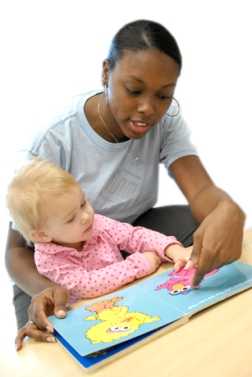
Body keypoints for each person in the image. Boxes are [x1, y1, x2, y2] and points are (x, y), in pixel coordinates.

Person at [5, 19, 245, 346]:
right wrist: (43, 289)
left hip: (118, 234)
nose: (148, 109)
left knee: (202, 224)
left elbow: (201, 189)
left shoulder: (166, 121)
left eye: (164, 96)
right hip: (56, 265)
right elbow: (17, 249)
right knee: (53, 336)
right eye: (134, 90)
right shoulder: (55, 140)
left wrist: (226, 209)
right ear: (106, 73)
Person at [7, 159, 191, 349]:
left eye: (83, 203)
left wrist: (171, 248)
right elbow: (87, 286)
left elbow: (134, 235)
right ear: (42, 234)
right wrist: (140, 264)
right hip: (89, 320)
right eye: (71, 218)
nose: (86, 215)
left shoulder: (96, 224)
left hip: (126, 299)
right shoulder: (47, 259)